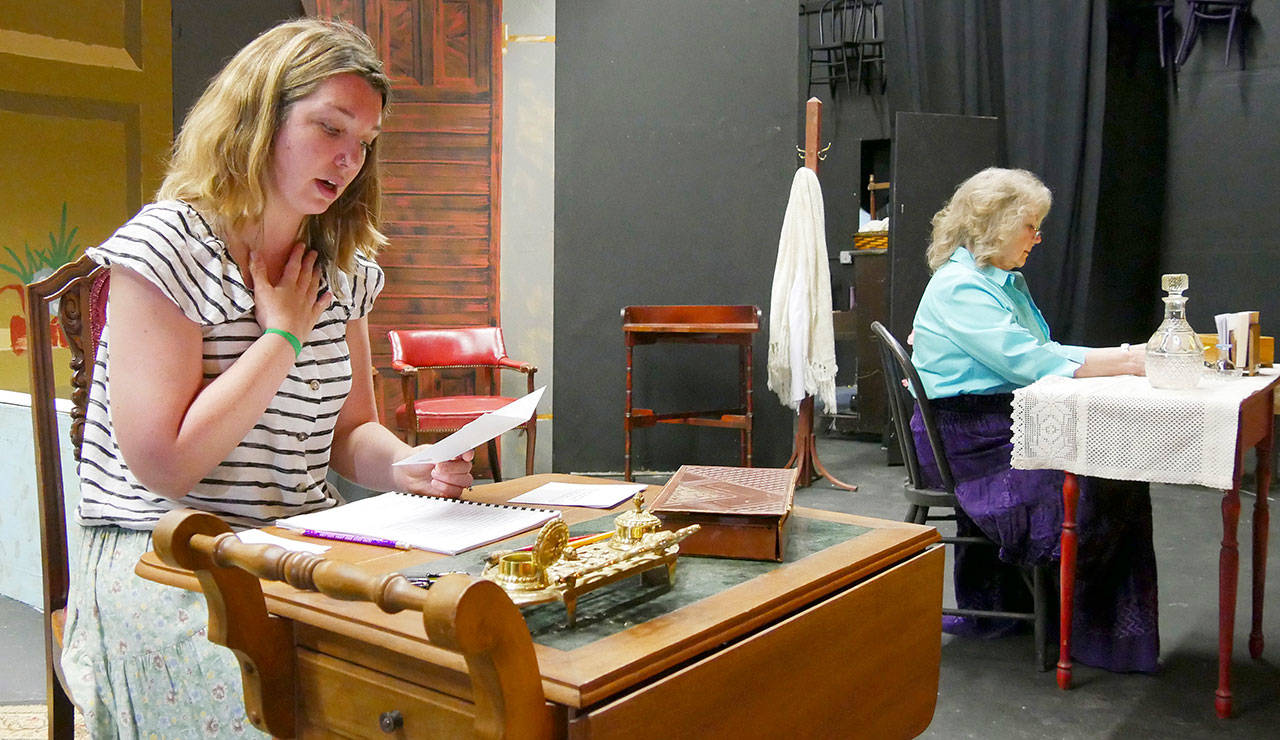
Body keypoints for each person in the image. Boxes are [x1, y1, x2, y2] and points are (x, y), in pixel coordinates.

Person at [60, 18, 475, 737]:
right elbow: (164, 463)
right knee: (293, 708)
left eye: (364, 143)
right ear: (258, 117)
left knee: (433, 670)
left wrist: (408, 465)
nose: (348, 159)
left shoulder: (340, 264)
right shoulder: (167, 246)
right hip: (168, 554)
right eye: (329, 128)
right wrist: (281, 334)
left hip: (297, 542)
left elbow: (350, 434)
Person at [910, 167, 1158, 673]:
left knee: (1117, 469)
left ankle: (1087, 627)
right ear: (996, 223)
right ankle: (1088, 634)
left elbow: (1043, 350)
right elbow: (1028, 363)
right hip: (967, 443)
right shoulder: (961, 287)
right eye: (1031, 225)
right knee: (1108, 480)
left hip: (994, 427)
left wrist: (1125, 354)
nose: (1038, 238)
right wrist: (1130, 360)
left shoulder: (996, 282)